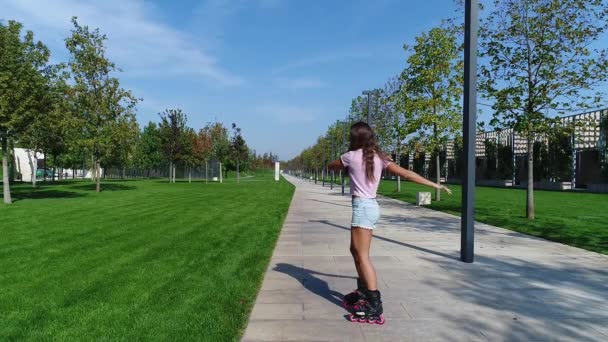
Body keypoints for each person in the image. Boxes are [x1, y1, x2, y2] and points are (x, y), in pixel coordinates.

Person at [328, 122, 451, 324]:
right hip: (371, 208)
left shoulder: (350, 156)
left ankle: (374, 304)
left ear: (354, 138)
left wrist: (346, 156)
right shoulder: (380, 158)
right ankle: (363, 291)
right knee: (355, 250)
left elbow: (331, 166)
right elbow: (407, 174)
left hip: (363, 208)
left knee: (363, 256)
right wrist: (434, 184)